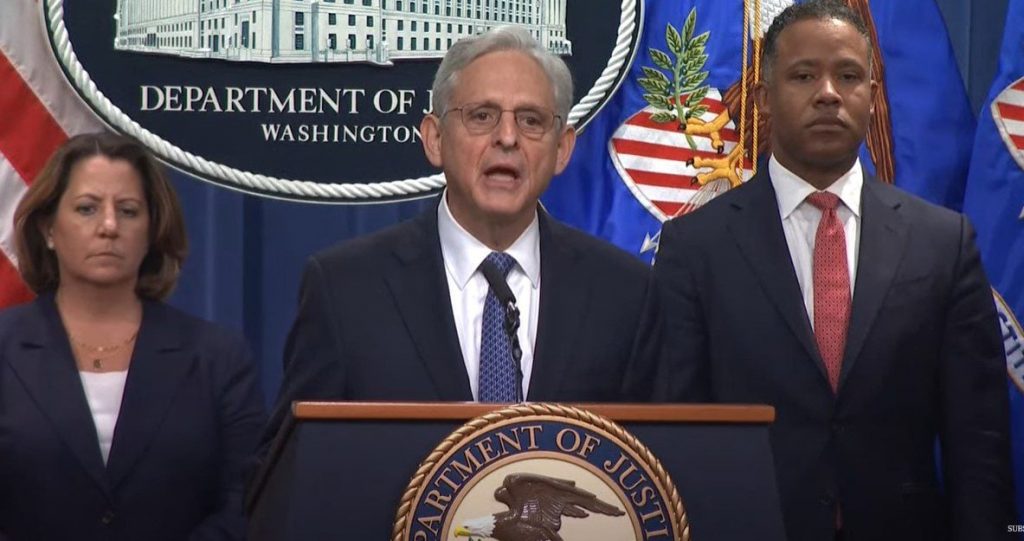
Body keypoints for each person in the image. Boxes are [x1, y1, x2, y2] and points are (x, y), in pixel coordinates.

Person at [653, 2, 1015, 540]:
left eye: (848, 76)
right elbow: (675, 432)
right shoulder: (696, 248)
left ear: (872, 95)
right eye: (803, 76)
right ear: (764, 98)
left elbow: (978, 441)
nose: (828, 93)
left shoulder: (943, 243)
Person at [262, 26, 658, 441]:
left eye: (531, 121)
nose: (508, 138)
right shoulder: (346, 290)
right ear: (435, 139)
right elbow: (293, 464)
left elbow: (655, 462)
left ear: (562, 149)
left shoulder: (624, 294)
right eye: (482, 116)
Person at [0, 133, 266, 541]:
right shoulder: (6, 346)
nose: (109, 227)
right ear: (48, 229)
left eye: (128, 211)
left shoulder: (216, 357)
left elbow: (245, 500)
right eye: (87, 208)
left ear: (152, 231)